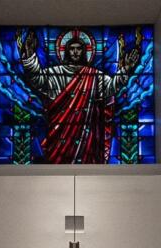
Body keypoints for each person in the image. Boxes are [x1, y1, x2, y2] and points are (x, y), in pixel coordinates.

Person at [14, 28, 141, 163]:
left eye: (78, 49)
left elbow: (112, 87)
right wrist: (29, 56)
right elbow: (37, 79)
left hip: (87, 137)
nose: (75, 52)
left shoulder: (94, 75)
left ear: (84, 52)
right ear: (66, 51)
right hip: (60, 134)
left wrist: (126, 68)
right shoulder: (56, 73)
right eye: (72, 48)